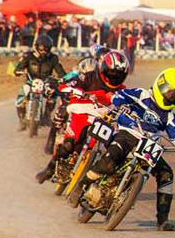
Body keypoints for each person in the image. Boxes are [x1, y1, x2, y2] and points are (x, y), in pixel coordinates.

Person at [81, 68, 175, 231]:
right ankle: (84, 182)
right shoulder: (142, 94)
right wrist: (121, 105)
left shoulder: (169, 115)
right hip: (128, 134)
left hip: (150, 145)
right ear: (161, 85)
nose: (173, 99)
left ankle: (162, 220)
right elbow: (119, 96)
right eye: (172, 94)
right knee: (111, 159)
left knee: (167, 174)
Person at [35, 51, 130, 183]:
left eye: (119, 74)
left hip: (103, 118)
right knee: (69, 144)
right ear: (103, 69)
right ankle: (49, 169)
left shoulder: (122, 90)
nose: (115, 77)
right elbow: (69, 84)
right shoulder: (89, 77)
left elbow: (130, 103)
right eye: (112, 73)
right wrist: (67, 88)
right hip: (81, 111)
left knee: (111, 148)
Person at [14, 34, 66, 129]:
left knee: (53, 93)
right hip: (31, 82)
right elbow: (19, 67)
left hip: (46, 82)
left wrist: (63, 78)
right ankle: (22, 120)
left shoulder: (53, 58)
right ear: (36, 47)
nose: (43, 52)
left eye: (46, 50)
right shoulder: (28, 56)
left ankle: (46, 116)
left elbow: (60, 71)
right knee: (22, 94)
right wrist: (18, 71)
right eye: (41, 49)